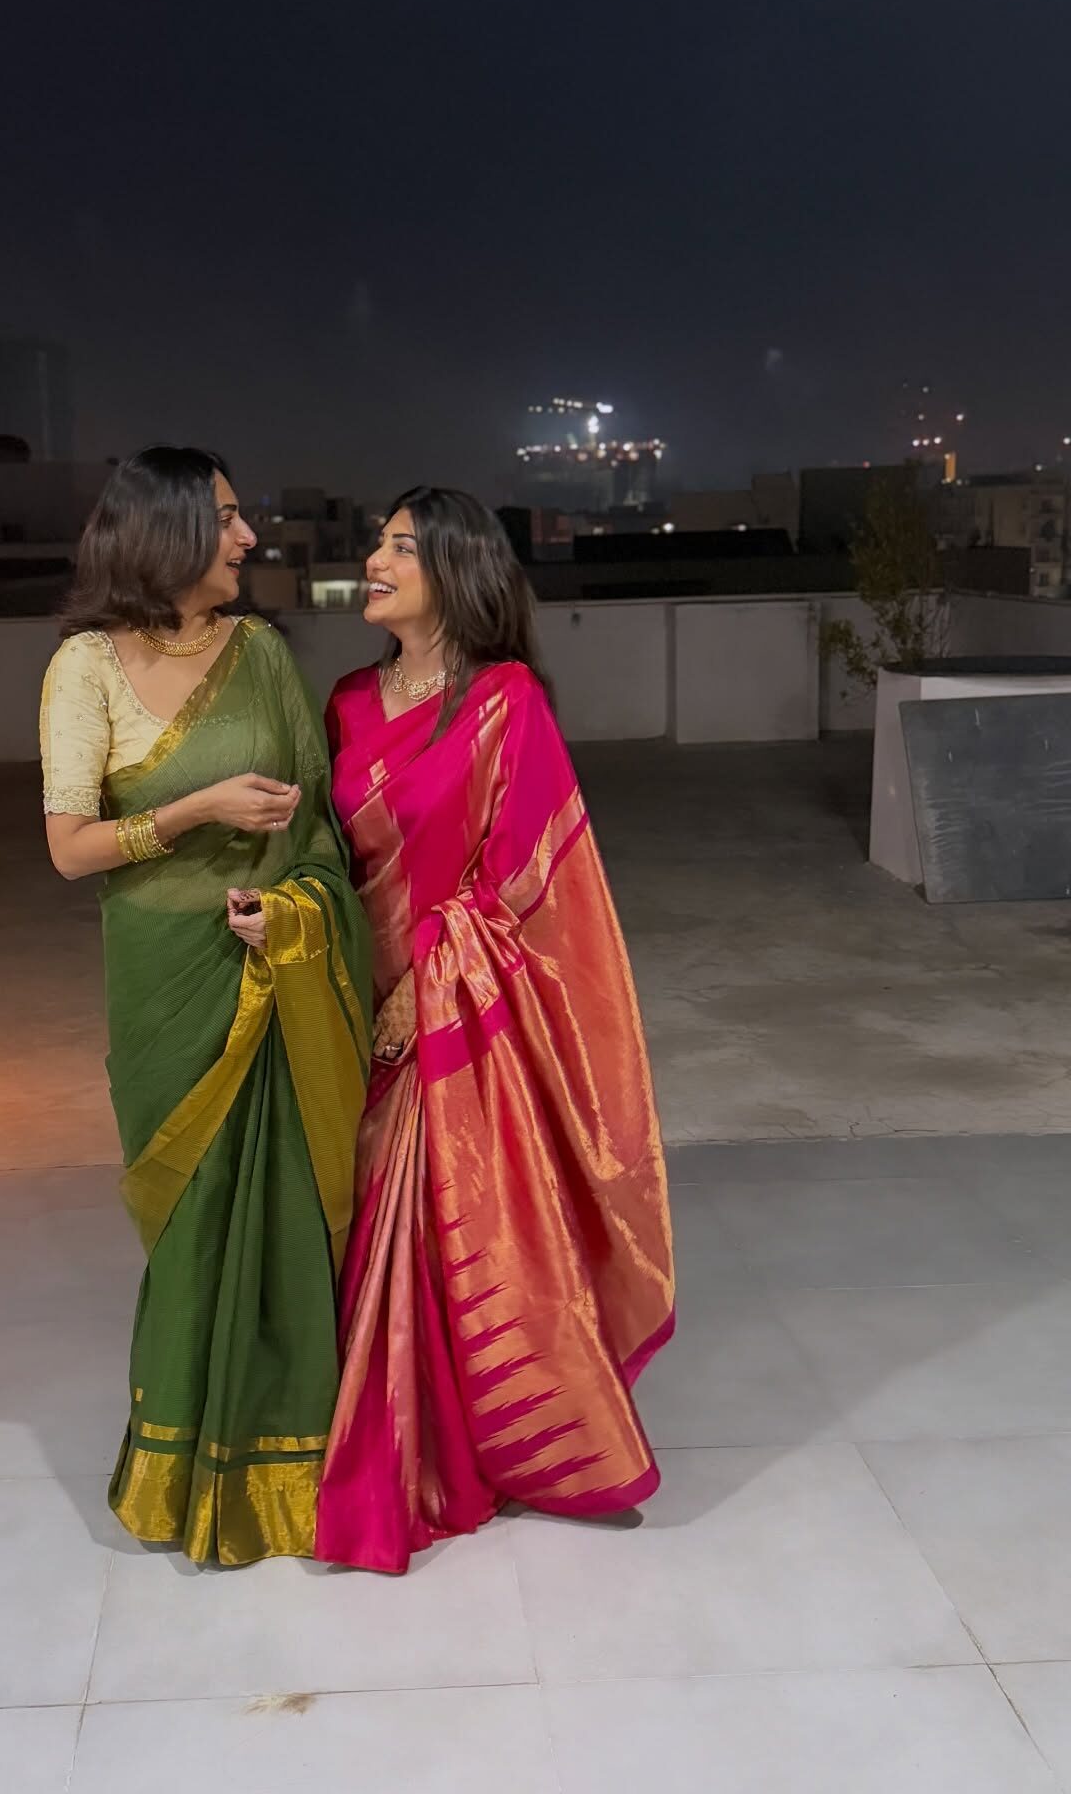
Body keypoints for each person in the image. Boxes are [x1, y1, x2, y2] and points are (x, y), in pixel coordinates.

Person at [313, 486, 674, 1575]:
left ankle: (489, 1445)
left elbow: (528, 882)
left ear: (455, 570)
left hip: (453, 1014)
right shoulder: (345, 703)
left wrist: (421, 983)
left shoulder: (505, 700)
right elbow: (330, 862)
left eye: (401, 546)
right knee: (367, 1219)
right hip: (354, 1004)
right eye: (377, 543)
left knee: (455, 1222)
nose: (375, 560)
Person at [39, 446, 370, 1565]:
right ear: (166, 530)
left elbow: (318, 829)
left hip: (269, 964)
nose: (247, 539)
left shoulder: (263, 654)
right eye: (226, 519)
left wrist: (294, 912)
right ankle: (184, 1468)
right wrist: (194, 810)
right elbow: (70, 849)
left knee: (288, 1209)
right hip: (163, 979)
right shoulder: (85, 668)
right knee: (190, 1213)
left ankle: (300, 1462)